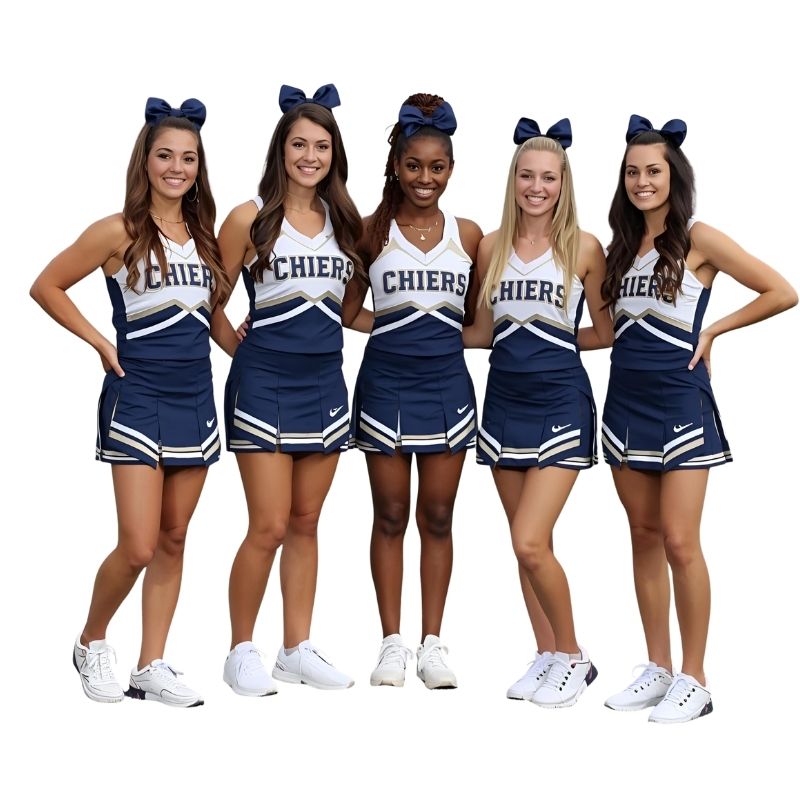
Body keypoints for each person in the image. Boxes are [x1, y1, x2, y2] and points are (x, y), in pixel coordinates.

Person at [30, 97, 230, 707]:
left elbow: (210, 320)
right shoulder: (117, 230)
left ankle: (152, 665)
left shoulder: (205, 236)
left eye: (188, 158)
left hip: (196, 398)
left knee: (174, 537)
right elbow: (46, 285)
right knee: (139, 543)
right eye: (165, 156)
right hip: (138, 395)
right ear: (144, 161)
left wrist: (255, 350)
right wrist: (99, 341)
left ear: (199, 166)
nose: (177, 168)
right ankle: (91, 641)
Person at [600, 115, 797, 723]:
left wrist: (713, 330)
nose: (642, 182)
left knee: (681, 541)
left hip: (680, 403)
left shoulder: (698, 237)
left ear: (674, 175)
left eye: (653, 171)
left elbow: (781, 290)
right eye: (632, 172)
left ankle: (696, 677)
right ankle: (658, 667)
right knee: (643, 535)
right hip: (624, 405)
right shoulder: (617, 246)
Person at [214, 84, 364, 695]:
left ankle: (295, 648)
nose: (310, 156)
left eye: (321, 146)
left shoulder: (345, 221)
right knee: (268, 525)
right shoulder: (248, 217)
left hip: (326, 384)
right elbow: (208, 303)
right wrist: (243, 353)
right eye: (299, 144)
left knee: (306, 522)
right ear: (281, 149)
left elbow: (349, 310)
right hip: (264, 385)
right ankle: (240, 650)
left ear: (334, 154)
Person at [464, 118, 612, 707]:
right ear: (513, 179)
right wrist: (407, 329)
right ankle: (546, 652)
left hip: (560, 401)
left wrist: (556, 341)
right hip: (503, 402)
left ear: (563, 183)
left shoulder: (585, 248)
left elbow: (605, 331)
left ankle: (574, 656)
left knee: (531, 541)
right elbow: (480, 331)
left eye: (548, 178)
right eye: (527, 176)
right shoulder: (489, 246)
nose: (536, 187)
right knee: (524, 541)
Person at [344, 93, 482, 689]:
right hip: (385, 385)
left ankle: (432, 644)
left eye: (437, 167)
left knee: (440, 515)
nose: (425, 178)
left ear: (451, 169)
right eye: (414, 165)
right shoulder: (370, 231)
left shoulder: (469, 235)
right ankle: (391, 642)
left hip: (447, 386)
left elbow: (474, 319)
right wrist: (399, 329)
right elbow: (348, 310)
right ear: (396, 167)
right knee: (390, 513)